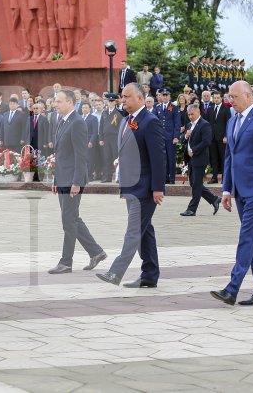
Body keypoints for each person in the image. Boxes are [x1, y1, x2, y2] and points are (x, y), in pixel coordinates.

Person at [210, 81, 253, 306]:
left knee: (246, 238)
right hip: (239, 190)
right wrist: (227, 190)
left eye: (234, 96)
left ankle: (232, 288)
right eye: (229, 96)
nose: (231, 100)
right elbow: (230, 157)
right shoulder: (232, 121)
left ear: (248, 96)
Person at [96, 83, 166, 288]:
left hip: (144, 188)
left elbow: (158, 157)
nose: (123, 100)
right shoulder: (128, 120)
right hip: (130, 187)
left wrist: (158, 188)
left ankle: (115, 272)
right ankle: (149, 275)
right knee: (145, 232)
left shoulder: (150, 121)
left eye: (127, 96)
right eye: (122, 96)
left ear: (140, 99)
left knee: (134, 231)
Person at [47, 90, 107, 275]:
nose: (55, 104)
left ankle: (66, 262)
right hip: (63, 178)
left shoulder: (78, 123)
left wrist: (76, 182)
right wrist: (56, 179)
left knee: (68, 220)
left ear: (71, 102)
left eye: (59, 101)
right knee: (72, 219)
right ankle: (96, 252)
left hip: (73, 180)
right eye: (55, 101)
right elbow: (61, 155)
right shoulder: (62, 121)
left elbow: (82, 156)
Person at [180, 106, 221, 216]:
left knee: (196, 185)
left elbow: (206, 141)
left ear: (198, 112)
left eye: (192, 114)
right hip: (191, 159)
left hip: (200, 158)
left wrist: (194, 150)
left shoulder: (204, 124)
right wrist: (185, 136)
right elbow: (183, 139)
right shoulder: (189, 125)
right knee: (194, 183)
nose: (190, 117)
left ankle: (191, 209)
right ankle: (214, 199)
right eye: (188, 115)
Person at [155, 90, 180, 183]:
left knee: (171, 158)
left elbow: (177, 123)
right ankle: (165, 178)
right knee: (163, 158)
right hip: (161, 137)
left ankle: (172, 178)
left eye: (166, 95)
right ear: (160, 96)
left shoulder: (174, 107)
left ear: (169, 97)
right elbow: (154, 122)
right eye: (163, 95)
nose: (165, 97)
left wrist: (176, 136)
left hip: (170, 137)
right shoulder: (157, 107)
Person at [206, 91, 231, 183]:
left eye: (217, 97)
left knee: (223, 157)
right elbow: (207, 124)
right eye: (214, 98)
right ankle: (214, 177)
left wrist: (226, 135)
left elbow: (228, 123)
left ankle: (225, 177)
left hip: (222, 138)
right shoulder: (210, 109)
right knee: (214, 158)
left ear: (221, 98)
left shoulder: (226, 109)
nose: (216, 99)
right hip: (212, 138)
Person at [98, 93, 121, 183]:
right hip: (106, 138)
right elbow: (101, 127)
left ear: (115, 102)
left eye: (112, 101)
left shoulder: (119, 112)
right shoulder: (104, 112)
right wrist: (100, 138)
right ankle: (107, 176)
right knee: (106, 157)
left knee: (116, 157)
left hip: (115, 137)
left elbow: (121, 126)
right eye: (109, 101)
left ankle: (118, 176)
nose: (110, 103)